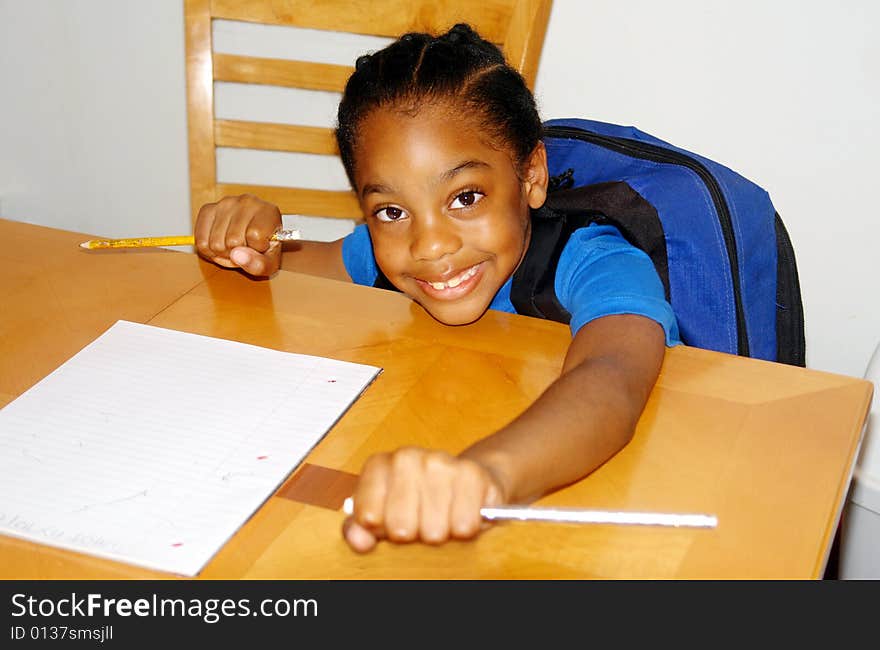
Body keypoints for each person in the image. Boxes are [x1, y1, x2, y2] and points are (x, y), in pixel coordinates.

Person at [193, 23, 681, 553]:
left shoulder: (596, 260)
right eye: (392, 210)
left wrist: (486, 476)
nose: (428, 245)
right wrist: (255, 248)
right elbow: (298, 269)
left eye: (465, 198)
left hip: (593, 528)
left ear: (531, 176)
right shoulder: (385, 257)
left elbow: (610, 380)